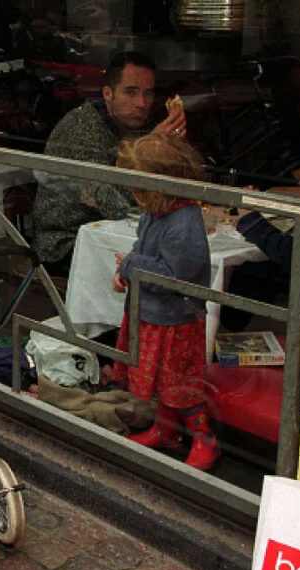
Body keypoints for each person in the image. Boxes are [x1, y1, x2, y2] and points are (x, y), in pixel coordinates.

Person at [110, 131, 220, 471]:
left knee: (181, 385)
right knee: (162, 381)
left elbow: (172, 275)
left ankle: (204, 439)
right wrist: (128, 271)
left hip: (176, 318)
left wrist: (130, 266)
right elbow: (144, 252)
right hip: (152, 312)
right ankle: (166, 430)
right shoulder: (155, 212)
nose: (135, 195)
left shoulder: (184, 222)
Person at [32, 51, 186, 274]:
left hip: (122, 235)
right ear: (108, 94)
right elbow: (117, 203)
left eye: (148, 94)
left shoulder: (140, 125)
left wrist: (172, 151)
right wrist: (149, 151)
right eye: (131, 92)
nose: (141, 103)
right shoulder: (82, 127)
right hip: (66, 243)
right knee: (162, 267)